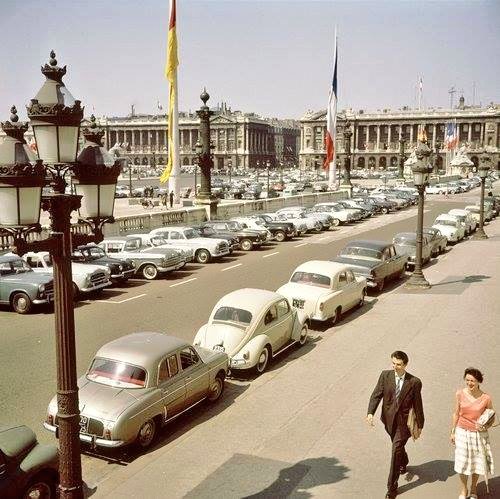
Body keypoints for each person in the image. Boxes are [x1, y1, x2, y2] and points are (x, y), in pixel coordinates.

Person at [366, 351, 424, 499]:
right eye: (393, 363)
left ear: (405, 365)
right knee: (397, 448)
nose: (395, 367)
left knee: (395, 450)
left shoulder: (414, 382)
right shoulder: (385, 376)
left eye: (398, 364)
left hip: (404, 424)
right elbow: (376, 394)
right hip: (388, 420)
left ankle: (391, 488)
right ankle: (403, 460)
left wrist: (420, 425)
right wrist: (370, 412)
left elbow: (418, 405)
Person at [451, 367, 495, 499]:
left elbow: (491, 416)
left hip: (478, 434)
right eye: (467, 380)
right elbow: (456, 413)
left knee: (476, 463)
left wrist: (486, 425)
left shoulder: (486, 398)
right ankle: (464, 489)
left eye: (473, 381)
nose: (469, 383)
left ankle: (474, 488)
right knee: (462, 462)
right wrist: (452, 432)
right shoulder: (459, 394)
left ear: (478, 381)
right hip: (462, 431)